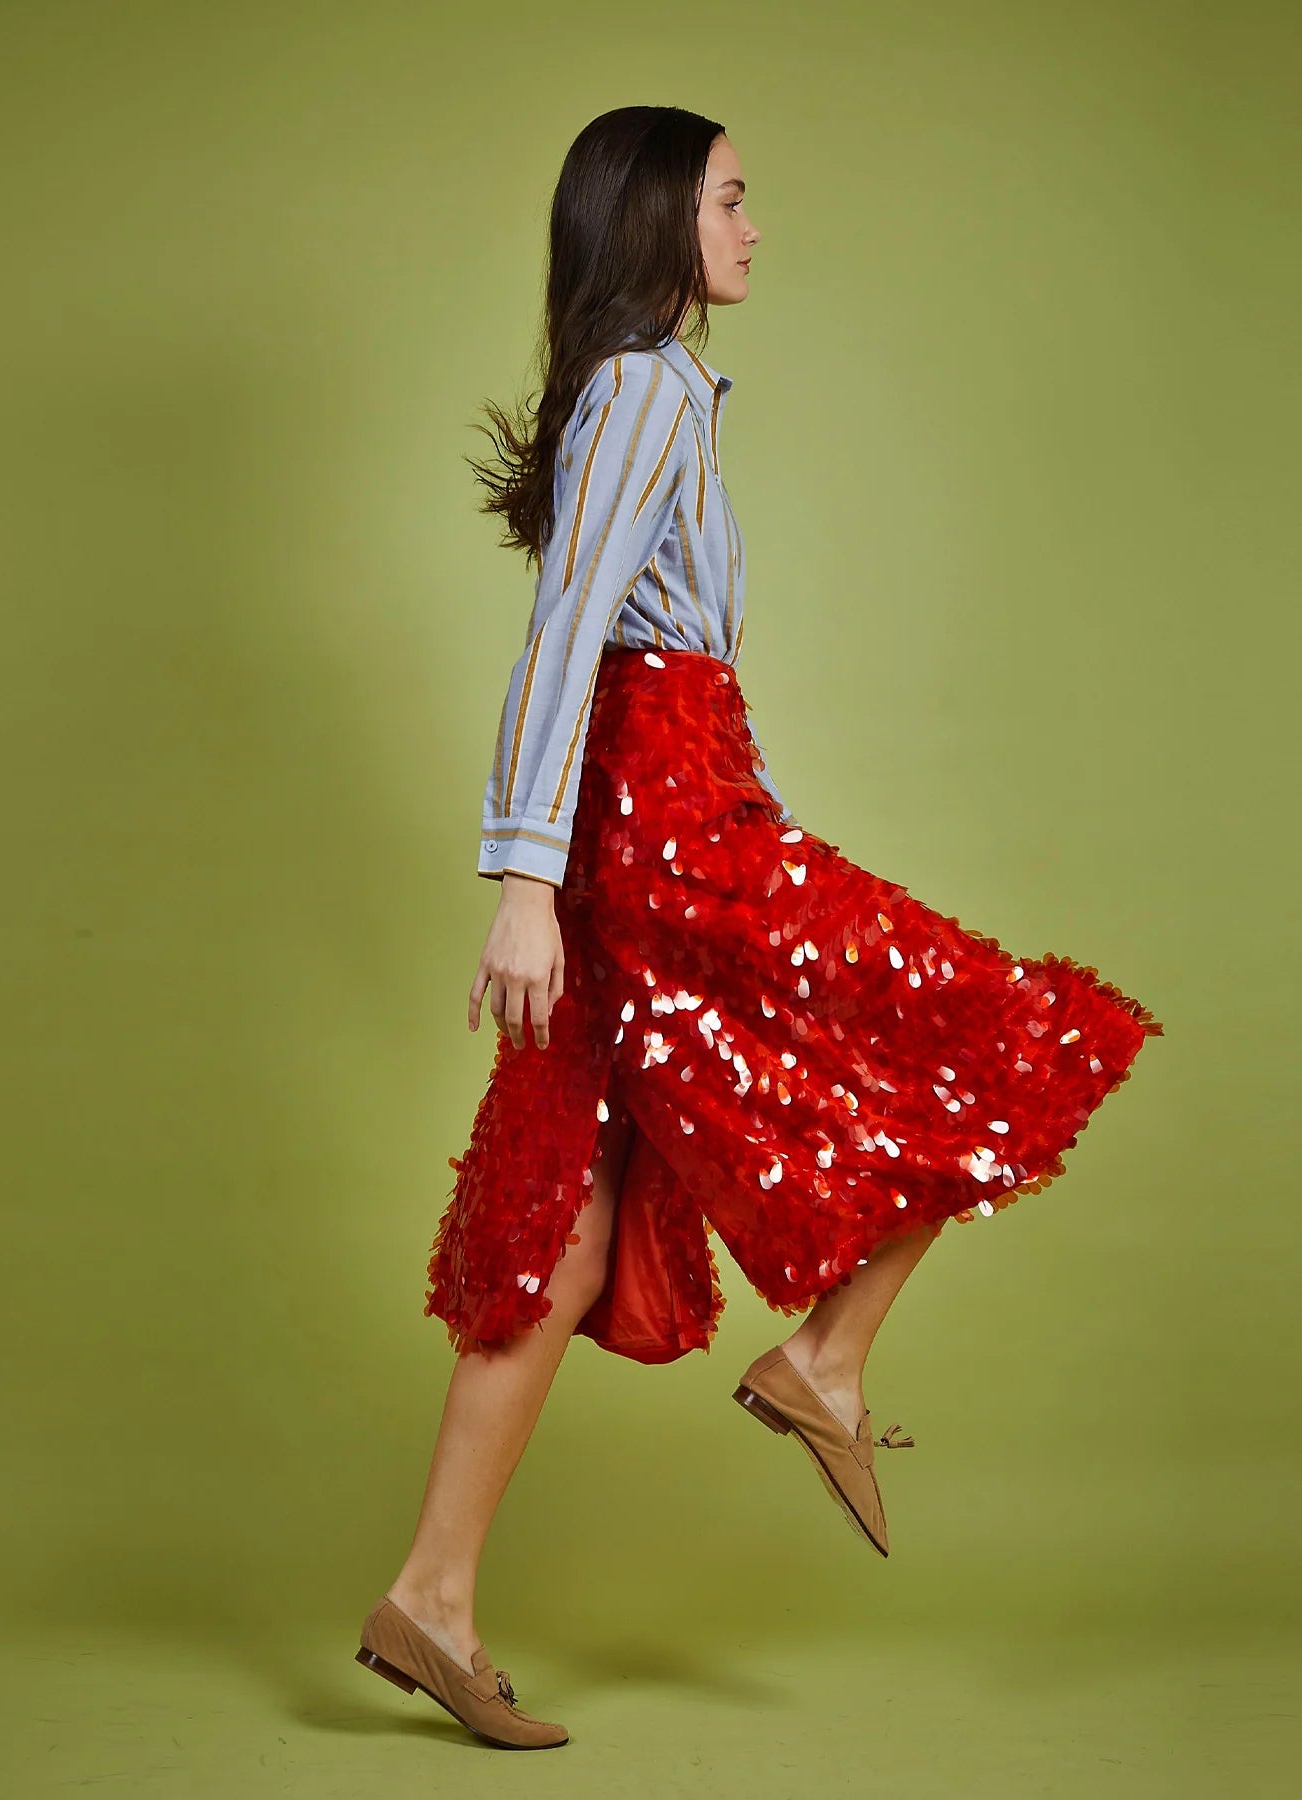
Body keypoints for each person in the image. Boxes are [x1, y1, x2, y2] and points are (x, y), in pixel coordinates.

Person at [355, 107, 1163, 1751]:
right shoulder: (644, 389)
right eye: (732, 196)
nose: (754, 223)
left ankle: (431, 1598)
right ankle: (829, 1363)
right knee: (1011, 1032)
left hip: (667, 816)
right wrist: (524, 883)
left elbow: (676, 664)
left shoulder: (656, 393)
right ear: (661, 216)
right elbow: (568, 631)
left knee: (568, 1223)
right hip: (659, 845)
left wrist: (681, 825)